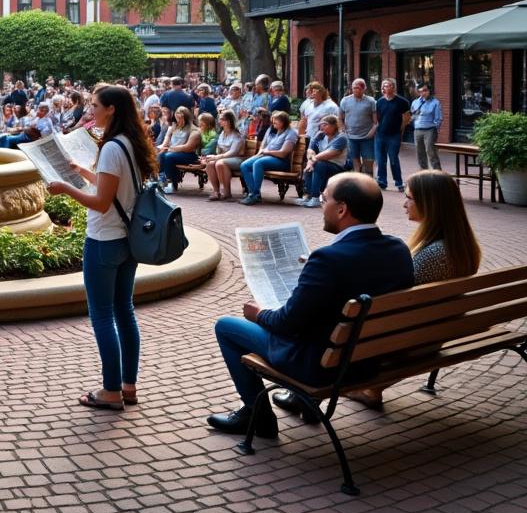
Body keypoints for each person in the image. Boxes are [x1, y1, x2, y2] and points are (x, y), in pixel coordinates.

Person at [206, 173, 414, 437]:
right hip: (370, 362)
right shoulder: (398, 250)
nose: (320, 203)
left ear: (342, 209)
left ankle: (257, 416)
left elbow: (286, 324)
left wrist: (259, 315)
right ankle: (301, 404)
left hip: (320, 367)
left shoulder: (328, 260)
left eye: (324, 198)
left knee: (226, 326)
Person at [46, 85, 157, 411]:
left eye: (94, 105)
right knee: (125, 311)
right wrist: (83, 173)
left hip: (103, 240)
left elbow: (102, 201)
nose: (89, 110)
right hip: (126, 240)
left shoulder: (111, 147)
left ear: (110, 109)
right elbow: (115, 187)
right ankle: (128, 386)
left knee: (103, 316)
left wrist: (66, 188)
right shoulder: (130, 143)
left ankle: (110, 391)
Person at [346, 169, 482, 410]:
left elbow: (397, 298)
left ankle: (307, 395)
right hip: (435, 331)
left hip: (410, 340)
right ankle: (373, 390)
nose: (404, 204)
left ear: (430, 204)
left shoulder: (434, 254)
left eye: (410, 198)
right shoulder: (461, 245)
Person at [239, 110, 299, 205]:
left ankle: (254, 195)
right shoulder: (274, 130)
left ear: (283, 122)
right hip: (266, 156)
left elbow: (283, 153)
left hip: (281, 161)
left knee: (258, 163)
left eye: (276, 121)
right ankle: (254, 193)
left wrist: (267, 152)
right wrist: (260, 152)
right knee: (244, 165)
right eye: (273, 121)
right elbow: (264, 144)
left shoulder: (291, 133)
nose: (273, 123)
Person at [297, 114, 349, 209]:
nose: (322, 127)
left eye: (325, 124)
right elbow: (310, 150)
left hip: (337, 166)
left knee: (318, 165)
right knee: (309, 168)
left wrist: (312, 161)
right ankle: (308, 196)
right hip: (319, 162)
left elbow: (331, 153)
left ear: (334, 126)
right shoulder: (320, 135)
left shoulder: (341, 138)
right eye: (321, 124)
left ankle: (315, 198)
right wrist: (310, 162)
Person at [372, 78, 411, 191]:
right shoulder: (379, 102)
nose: (384, 88)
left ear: (393, 87)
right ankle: (382, 181)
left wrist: (401, 129)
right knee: (380, 159)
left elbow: (407, 118)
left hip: (394, 135)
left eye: (387, 85)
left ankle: (398, 182)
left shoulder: (402, 102)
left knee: (393, 158)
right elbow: (377, 118)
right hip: (380, 135)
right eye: (383, 86)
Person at [156, 106, 201, 193]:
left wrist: (170, 149)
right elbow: (166, 141)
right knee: (162, 155)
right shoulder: (173, 128)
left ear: (186, 117)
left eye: (180, 118)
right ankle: (162, 180)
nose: (178, 120)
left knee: (169, 156)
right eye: (177, 117)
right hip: (173, 152)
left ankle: (171, 182)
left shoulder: (193, 130)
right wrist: (159, 148)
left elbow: (188, 147)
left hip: (188, 154)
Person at [204, 111, 245, 202]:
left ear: (229, 121)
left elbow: (233, 152)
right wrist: (212, 157)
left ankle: (226, 191)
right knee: (210, 164)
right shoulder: (222, 133)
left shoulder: (236, 135)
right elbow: (219, 149)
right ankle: (216, 191)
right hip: (224, 157)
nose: (220, 121)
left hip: (237, 159)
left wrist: (217, 157)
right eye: (220, 119)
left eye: (223, 119)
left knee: (220, 163)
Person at [339, 79, 376, 176]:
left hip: (367, 137)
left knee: (368, 163)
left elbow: (376, 121)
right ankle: (358, 184)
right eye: (354, 88)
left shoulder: (371, 101)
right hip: (351, 137)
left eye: (358, 88)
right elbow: (340, 118)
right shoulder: (345, 100)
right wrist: (343, 129)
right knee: (355, 163)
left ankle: (369, 184)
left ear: (364, 89)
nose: (355, 90)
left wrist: (372, 132)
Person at [410, 83, 443, 171]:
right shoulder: (415, 102)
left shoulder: (435, 102)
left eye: (425, 90)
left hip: (430, 130)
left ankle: (438, 173)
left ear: (429, 91)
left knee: (431, 152)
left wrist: (436, 130)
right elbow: (413, 116)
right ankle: (424, 173)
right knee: (419, 152)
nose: (423, 93)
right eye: (420, 91)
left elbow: (438, 118)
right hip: (417, 130)